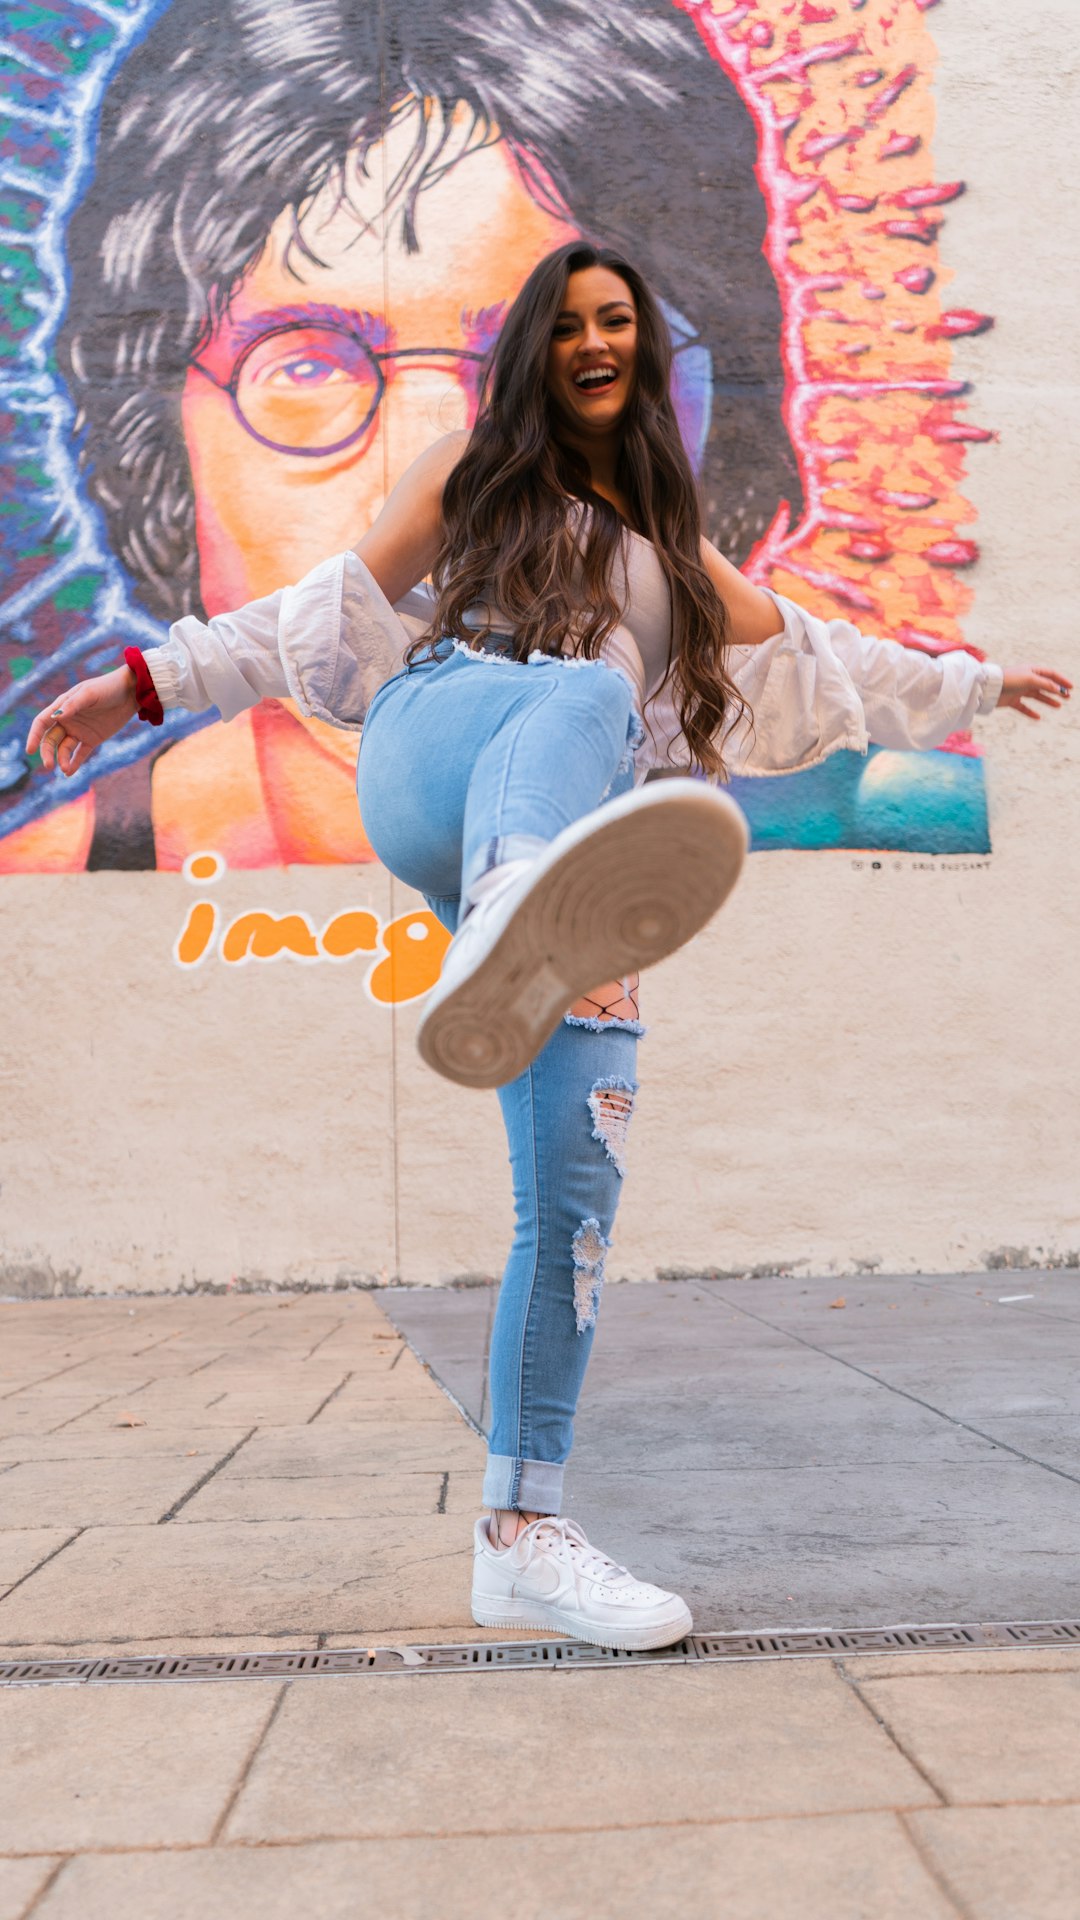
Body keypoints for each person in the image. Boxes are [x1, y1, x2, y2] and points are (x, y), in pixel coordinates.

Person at [29, 242, 1071, 1650]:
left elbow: (826, 657)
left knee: (570, 1222)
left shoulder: (675, 554)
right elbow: (309, 620)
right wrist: (132, 686)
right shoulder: (475, 475)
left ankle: (524, 1531)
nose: (595, 341)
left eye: (619, 322)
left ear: (642, 352)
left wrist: (974, 683)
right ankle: (522, 901)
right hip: (436, 759)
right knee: (585, 689)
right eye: (571, 323)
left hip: (564, 873)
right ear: (539, 349)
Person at [40, 0, 798, 871]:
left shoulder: (826, 816)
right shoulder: (51, 878)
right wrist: (144, 684)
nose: (436, 482)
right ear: (162, 444)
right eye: (308, 365)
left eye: (547, 364)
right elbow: (308, 623)